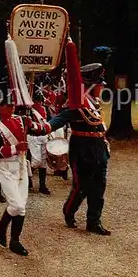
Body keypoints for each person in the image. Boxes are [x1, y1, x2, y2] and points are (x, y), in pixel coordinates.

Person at [45, 62, 112, 236]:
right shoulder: (76, 105)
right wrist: (43, 127)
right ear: (90, 87)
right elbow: (58, 120)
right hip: (82, 149)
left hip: (98, 148)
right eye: (99, 85)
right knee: (82, 186)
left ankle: (94, 221)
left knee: (99, 185)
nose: (101, 88)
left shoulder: (93, 105)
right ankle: (69, 211)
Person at [0, 82, 47, 256]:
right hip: (6, 168)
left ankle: (15, 240)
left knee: (22, 207)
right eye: (8, 104)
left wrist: (35, 125)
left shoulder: (22, 120)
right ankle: (1, 226)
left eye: (13, 103)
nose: (12, 106)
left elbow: (39, 131)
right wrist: (16, 148)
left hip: (21, 166)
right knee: (16, 204)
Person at [27, 92, 51, 194]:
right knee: (36, 161)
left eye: (41, 101)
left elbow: (48, 122)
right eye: (38, 101)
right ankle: (26, 179)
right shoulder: (29, 111)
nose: (40, 103)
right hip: (33, 137)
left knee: (43, 163)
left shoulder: (44, 109)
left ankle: (42, 186)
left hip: (43, 136)